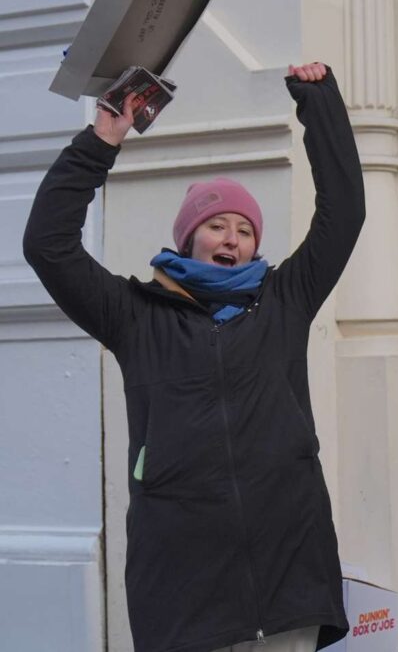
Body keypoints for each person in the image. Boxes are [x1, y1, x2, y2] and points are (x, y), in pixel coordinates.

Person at [23, 62, 365, 652]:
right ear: (188, 240)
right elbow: (47, 245)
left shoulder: (283, 300)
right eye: (215, 225)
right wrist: (100, 142)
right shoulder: (135, 316)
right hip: (184, 590)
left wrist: (319, 103)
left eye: (245, 230)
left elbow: (344, 215)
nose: (232, 238)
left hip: (287, 577)